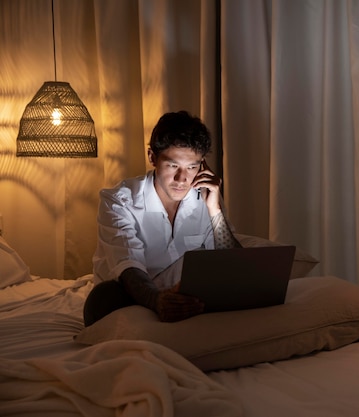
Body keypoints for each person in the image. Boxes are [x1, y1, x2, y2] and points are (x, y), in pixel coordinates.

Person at [83, 110, 241, 326]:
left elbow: (234, 264)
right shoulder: (118, 201)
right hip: (129, 297)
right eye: (172, 165)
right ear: (152, 157)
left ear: (202, 165)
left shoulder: (205, 194)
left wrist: (214, 209)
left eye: (192, 167)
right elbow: (129, 267)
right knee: (104, 296)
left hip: (185, 298)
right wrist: (158, 301)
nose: (182, 179)